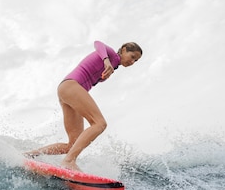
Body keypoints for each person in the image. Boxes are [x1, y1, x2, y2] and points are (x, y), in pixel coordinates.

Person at [27, 40, 142, 171]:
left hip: (66, 90)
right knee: (100, 124)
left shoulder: (113, 65)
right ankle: (69, 161)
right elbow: (98, 43)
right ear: (123, 50)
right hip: (71, 86)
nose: (132, 62)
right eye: (132, 57)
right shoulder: (110, 55)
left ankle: (30, 155)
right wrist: (106, 60)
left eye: (136, 61)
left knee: (72, 145)